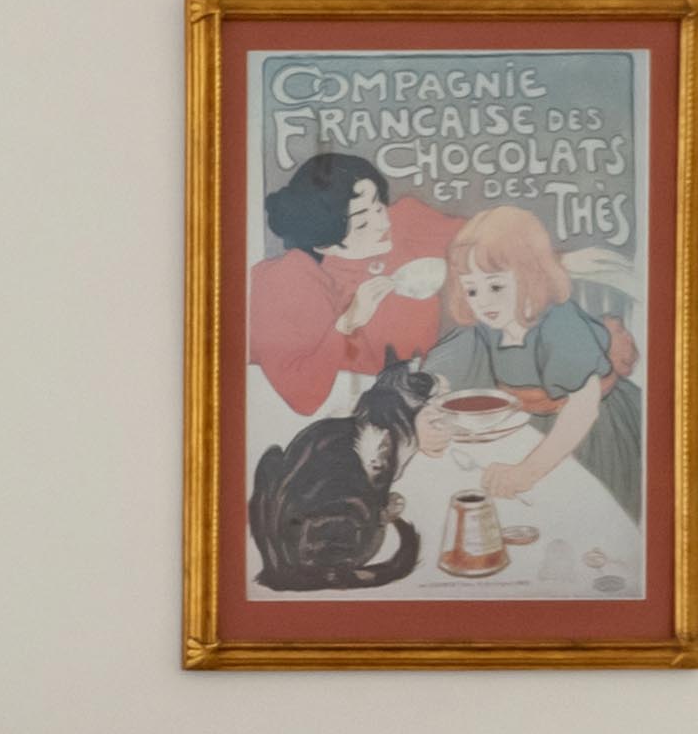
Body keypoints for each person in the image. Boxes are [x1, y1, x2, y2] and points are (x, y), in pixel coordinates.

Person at [408, 203, 628, 578]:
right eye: (472, 290)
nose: (484, 301)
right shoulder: (484, 325)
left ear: (531, 275)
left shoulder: (560, 322)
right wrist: (423, 418)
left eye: (495, 285)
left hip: (592, 435)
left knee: (582, 515)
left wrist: (528, 470)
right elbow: (435, 378)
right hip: (532, 429)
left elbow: (583, 408)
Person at [235, 150, 455, 428]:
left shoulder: (405, 224)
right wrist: (348, 322)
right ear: (325, 243)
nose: (384, 223)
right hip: (309, 426)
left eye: (379, 206)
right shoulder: (287, 281)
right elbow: (303, 396)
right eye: (363, 222)